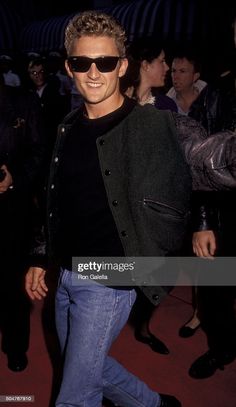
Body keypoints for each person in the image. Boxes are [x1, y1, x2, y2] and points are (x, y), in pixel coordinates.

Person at [24, 11, 194, 407]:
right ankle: (153, 404)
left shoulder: (151, 125)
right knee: (85, 366)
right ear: (69, 67)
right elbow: (54, 199)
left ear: (123, 65)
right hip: (66, 270)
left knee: (76, 395)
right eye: (83, 63)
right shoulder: (67, 124)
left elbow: (203, 165)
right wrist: (38, 256)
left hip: (111, 277)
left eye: (105, 62)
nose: (94, 73)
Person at [121, 37, 177, 355]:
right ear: (145, 64)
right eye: (162, 60)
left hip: (154, 209)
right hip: (119, 207)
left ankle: (141, 325)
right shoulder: (115, 104)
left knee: (163, 275)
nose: (166, 68)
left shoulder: (166, 107)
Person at [0, 73, 45, 372]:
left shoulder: (23, 101)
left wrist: (14, 177)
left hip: (12, 212)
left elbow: (39, 152)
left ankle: (15, 346)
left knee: (11, 283)